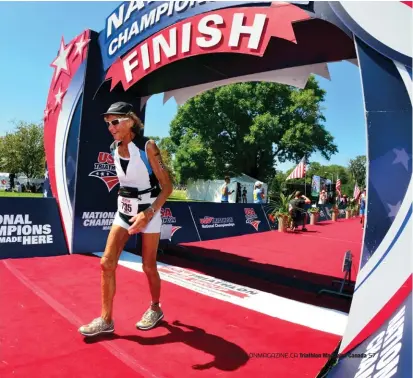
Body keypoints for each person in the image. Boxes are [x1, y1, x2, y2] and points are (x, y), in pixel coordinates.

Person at [78, 102, 173, 337]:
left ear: (130, 121)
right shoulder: (113, 147)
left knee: (148, 266)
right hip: (123, 212)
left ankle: (155, 308)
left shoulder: (148, 147)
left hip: (149, 213)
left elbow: (167, 187)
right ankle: (106, 320)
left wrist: (148, 213)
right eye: (108, 123)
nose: (111, 127)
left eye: (115, 121)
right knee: (106, 263)